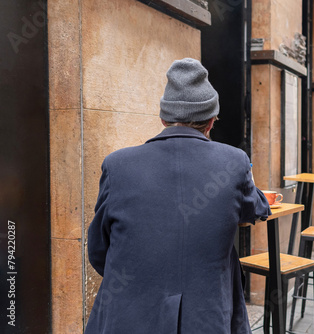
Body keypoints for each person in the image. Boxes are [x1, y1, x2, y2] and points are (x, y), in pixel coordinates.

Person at [85, 58, 271, 334]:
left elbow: (99, 249)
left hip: (126, 318)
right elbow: (256, 209)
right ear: (211, 121)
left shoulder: (117, 164)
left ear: (163, 118)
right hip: (206, 319)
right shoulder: (234, 161)